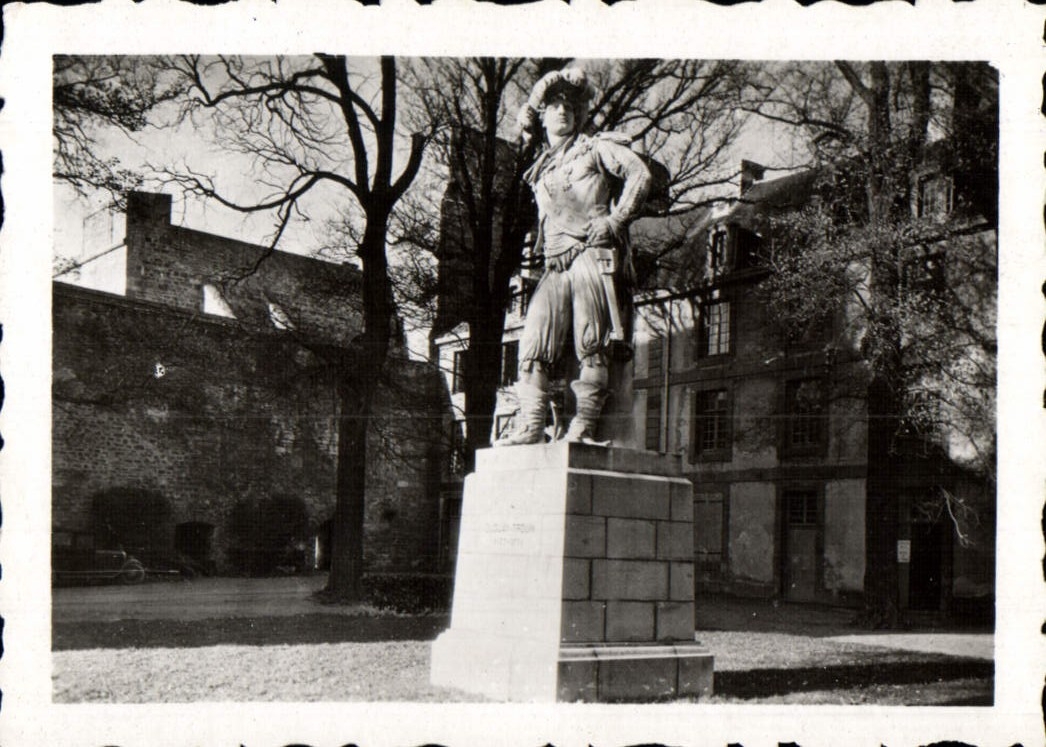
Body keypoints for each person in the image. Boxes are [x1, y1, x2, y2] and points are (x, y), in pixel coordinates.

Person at [495, 67, 651, 446]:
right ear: (543, 115)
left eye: (570, 106)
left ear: (580, 114)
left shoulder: (596, 147)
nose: (563, 111)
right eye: (555, 106)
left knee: (591, 344)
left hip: (589, 255)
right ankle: (532, 424)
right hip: (555, 261)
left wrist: (615, 221)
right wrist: (530, 110)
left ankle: (583, 425)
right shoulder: (542, 168)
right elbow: (524, 129)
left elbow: (640, 174)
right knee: (532, 345)